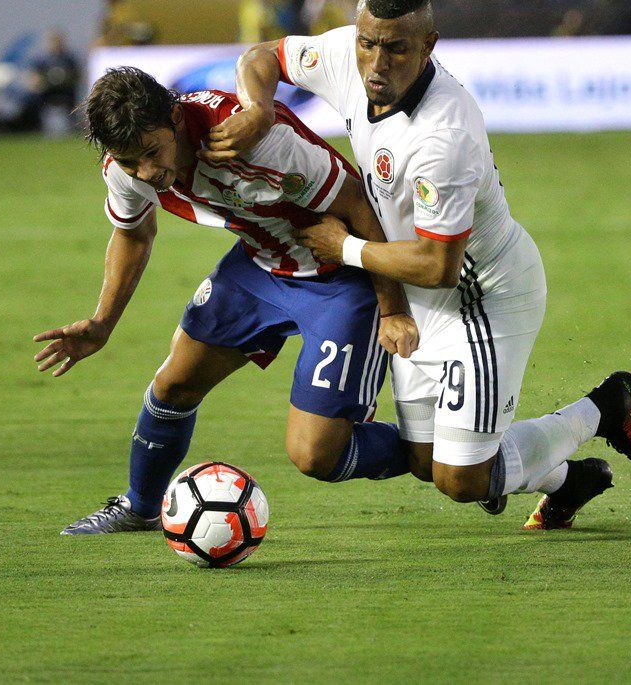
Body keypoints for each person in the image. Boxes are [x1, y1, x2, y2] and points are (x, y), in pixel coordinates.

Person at [203, 0, 631, 530]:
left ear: (428, 46)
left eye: (397, 49)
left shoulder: (443, 137)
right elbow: (262, 56)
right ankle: (573, 480)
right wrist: (259, 107)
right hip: (419, 294)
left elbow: (438, 265)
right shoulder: (346, 56)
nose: (377, 64)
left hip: (481, 296)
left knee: (461, 479)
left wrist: (344, 247)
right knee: (425, 463)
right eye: (368, 43)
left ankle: (606, 407)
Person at [33, 66, 418, 535]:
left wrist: (393, 309)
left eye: (152, 154)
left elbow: (359, 206)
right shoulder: (125, 166)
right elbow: (133, 235)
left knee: (316, 454)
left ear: (176, 118)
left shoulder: (256, 141)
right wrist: (102, 323)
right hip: (258, 265)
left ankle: (449, 458)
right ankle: (139, 508)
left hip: (341, 276)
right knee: (173, 385)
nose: (146, 174)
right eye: (131, 162)